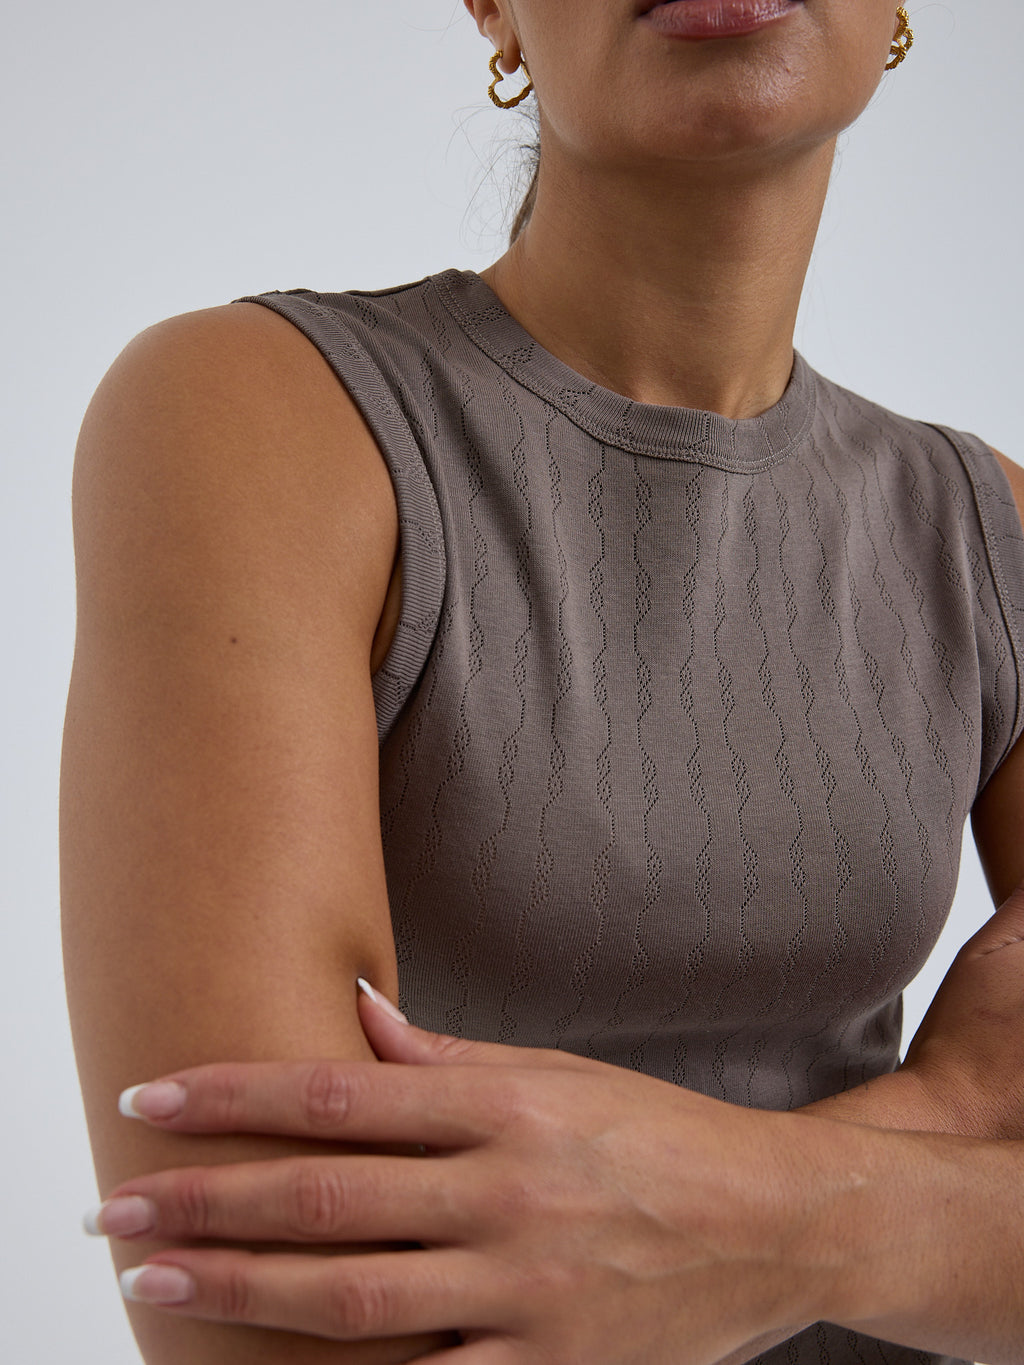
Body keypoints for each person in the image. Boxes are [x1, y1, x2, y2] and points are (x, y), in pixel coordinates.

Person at [61, 2, 1024, 1363]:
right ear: (494, 6)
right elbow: (269, 1327)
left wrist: (763, 1219)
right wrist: (941, 1136)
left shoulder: (991, 534)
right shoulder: (260, 416)